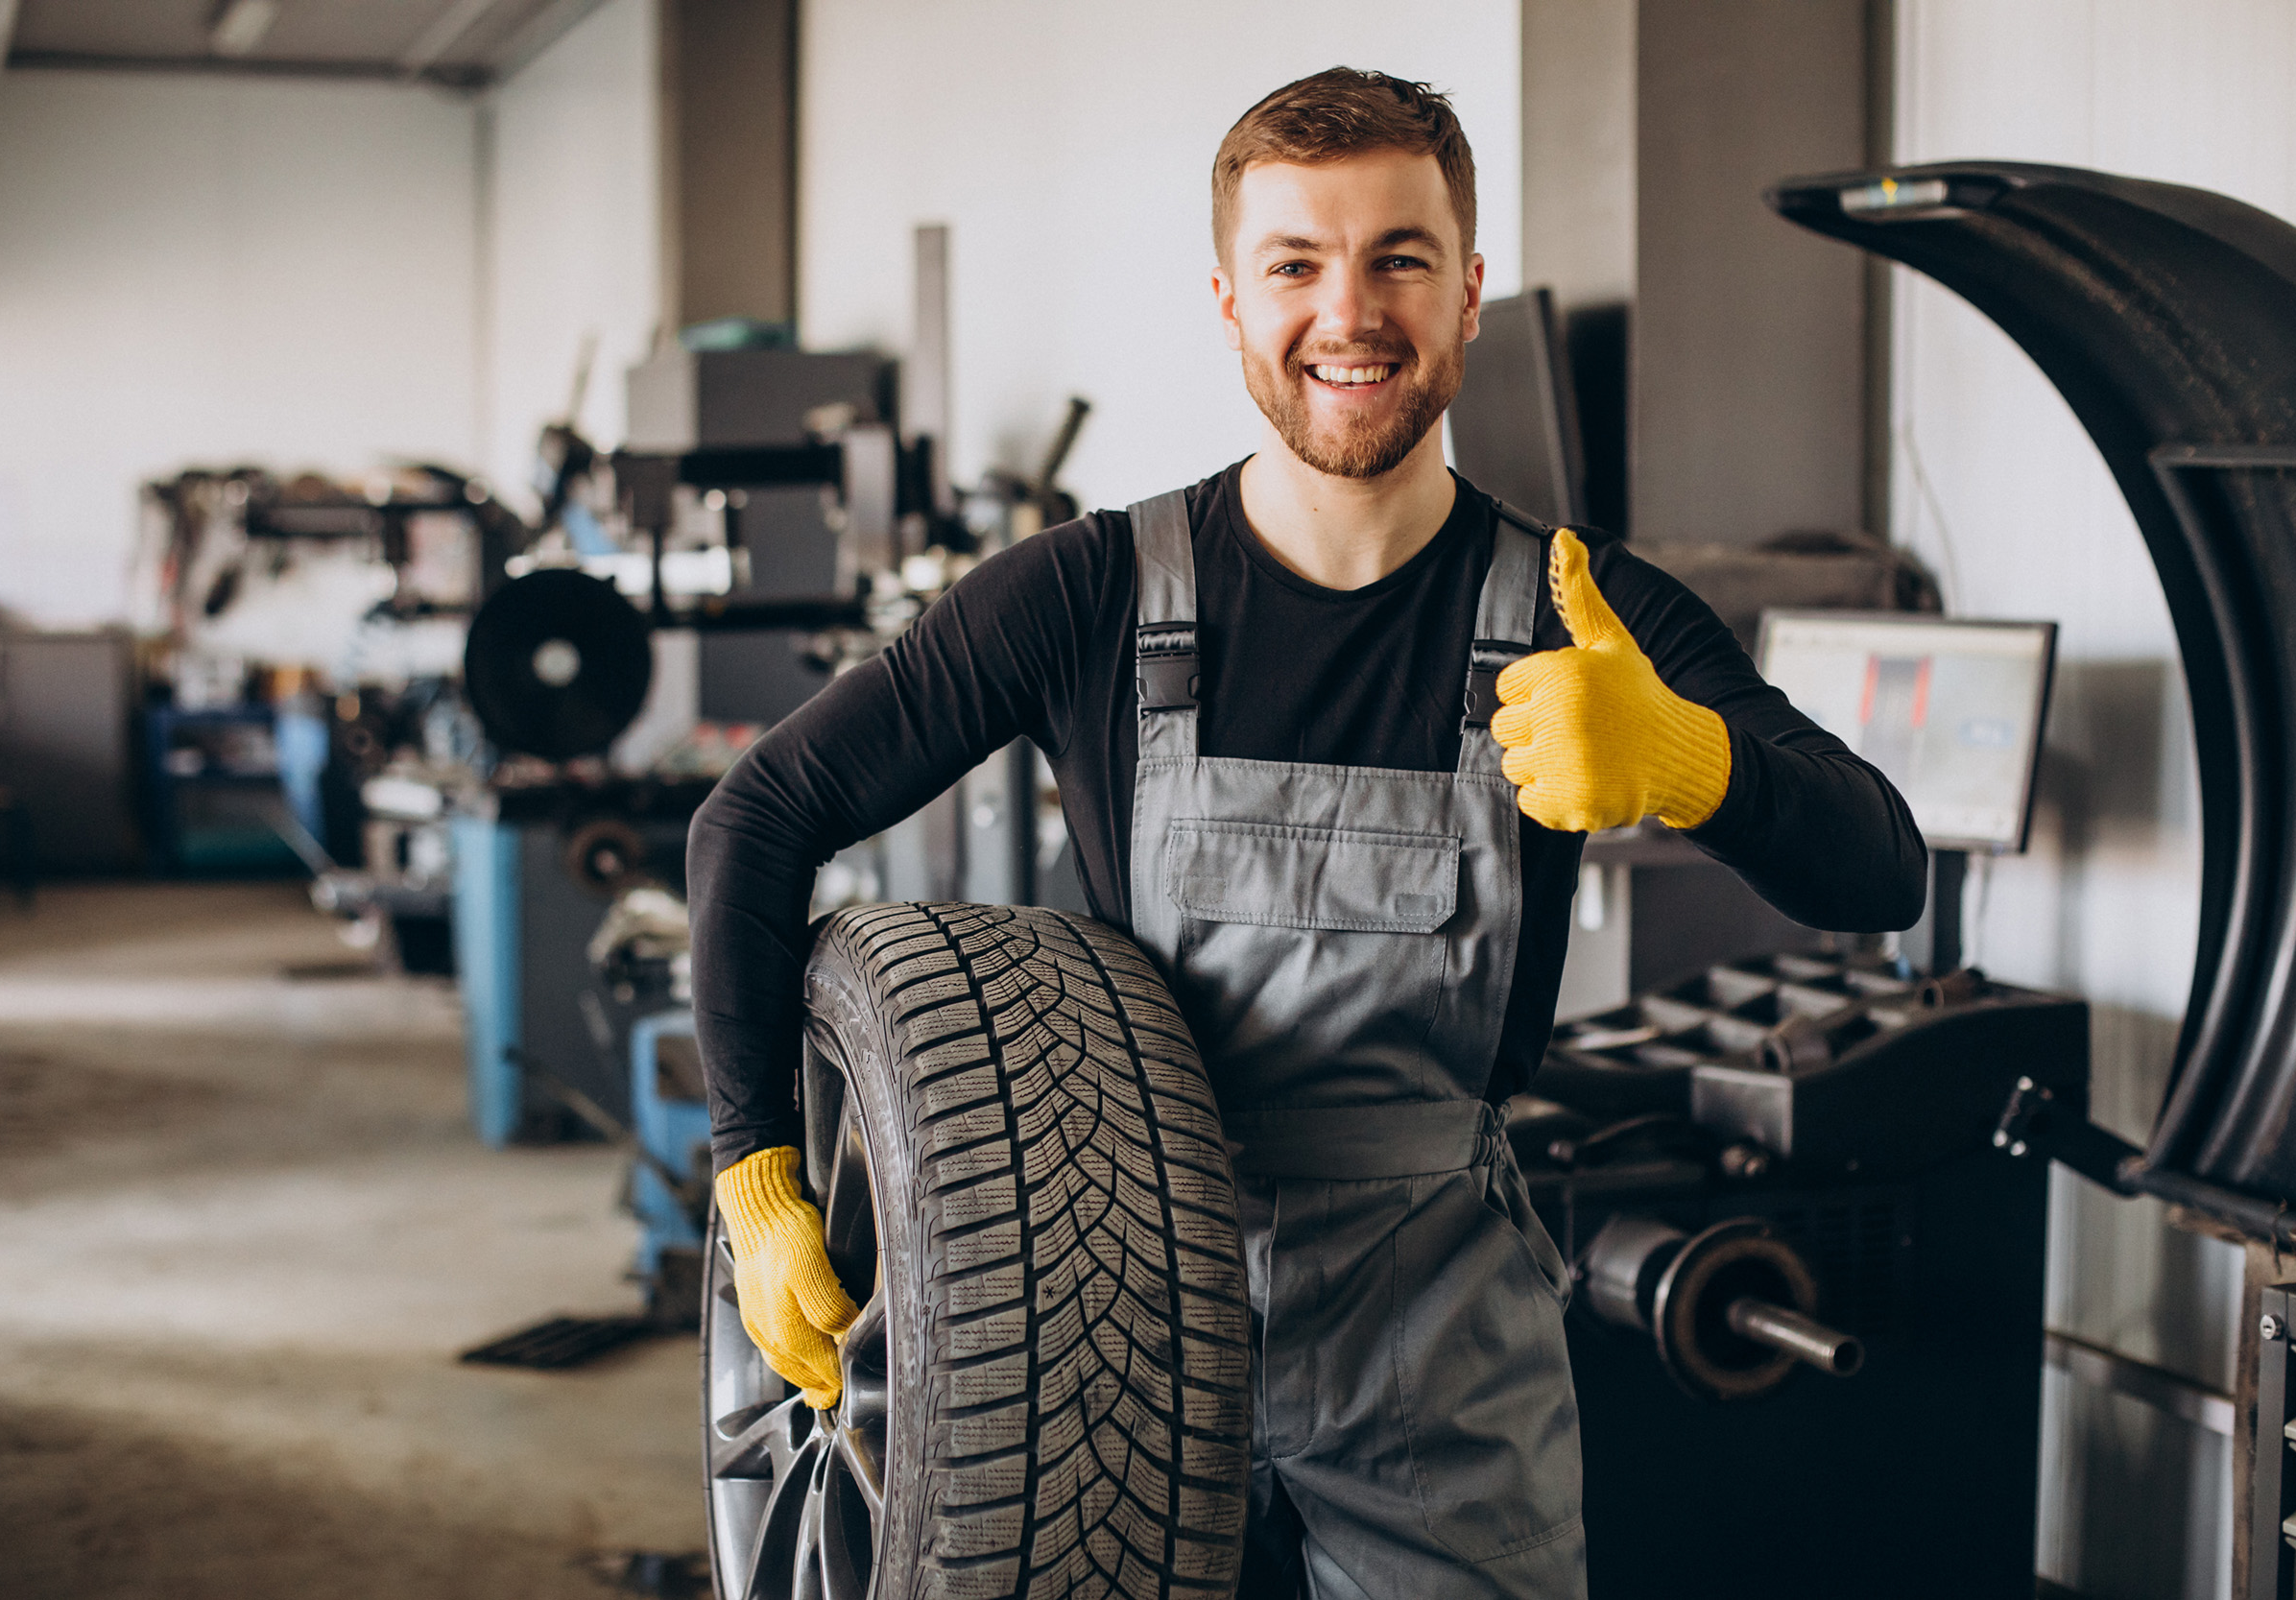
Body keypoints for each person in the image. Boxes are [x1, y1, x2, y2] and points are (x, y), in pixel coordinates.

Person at [687, 65, 1925, 1600]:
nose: (1350, 314)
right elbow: (760, 815)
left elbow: (1881, 864)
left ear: (1469, 295)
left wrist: (1690, 759)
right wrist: (753, 1171)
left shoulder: (1585, 612)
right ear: (1228, 302)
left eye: (1400, 258)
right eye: (1296, 265)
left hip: (1440, 1362)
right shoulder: (1086, 595)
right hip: (1099, 1327)